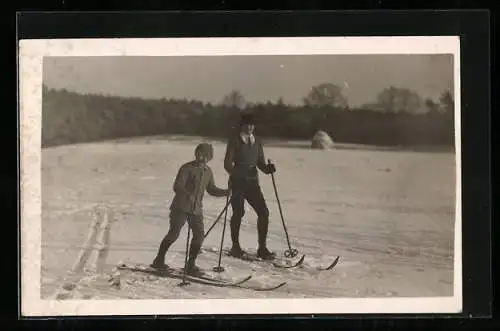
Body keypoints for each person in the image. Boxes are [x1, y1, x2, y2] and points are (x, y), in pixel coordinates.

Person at [150, 143, 229, 276]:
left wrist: (226, 192)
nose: (201, 157)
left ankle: (190, 264)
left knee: (199, 236)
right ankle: (159, 260)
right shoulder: (187, 168)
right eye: (199, 154)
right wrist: (187, 194)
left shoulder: (208, 171)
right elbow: (177, 186)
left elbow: (211, 189)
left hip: (196, 209)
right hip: (180, 207)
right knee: (174, 233)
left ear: (210, 157)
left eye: (205, 155)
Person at [224, 113, 277, 260]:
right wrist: (236, 176)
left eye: (252, 125)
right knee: (239, 212)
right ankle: (235, 247)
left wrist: (267, 169)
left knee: (264, 212)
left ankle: (262, 248)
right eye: (247, 125)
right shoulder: (235, 140)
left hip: (253, 182)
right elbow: (227, 164)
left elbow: (260, 162)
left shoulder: (257, 141)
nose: (250, 128)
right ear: (242, 126)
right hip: (238, 182)